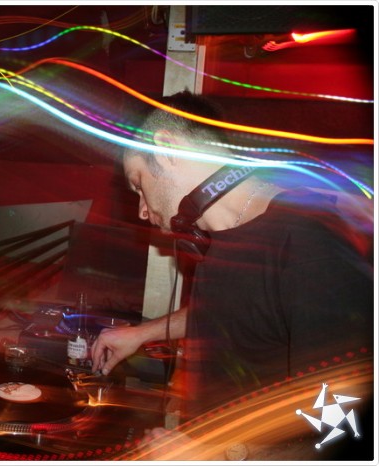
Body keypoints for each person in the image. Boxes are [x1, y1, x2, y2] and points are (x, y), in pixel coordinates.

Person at [90, 91, 373, 423]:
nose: (141, 209)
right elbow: (238, 310)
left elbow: (343, 414)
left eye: (138, 183)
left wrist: (225, 448)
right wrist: (141, 334)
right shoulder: (226, 239)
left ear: (167, 149)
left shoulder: (308, 242)